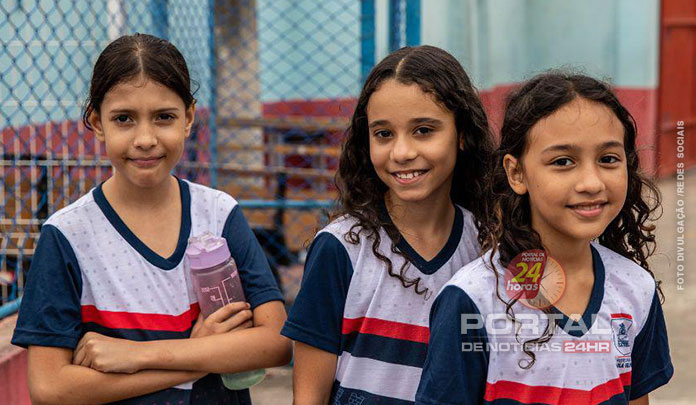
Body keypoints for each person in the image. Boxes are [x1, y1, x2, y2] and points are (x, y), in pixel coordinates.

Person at [11, 33, 291, 404]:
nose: (145, 138)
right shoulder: (68, 235)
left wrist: (137, 356)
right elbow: (50, 387)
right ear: (96, 122)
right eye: (123, 119)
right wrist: (197, 360)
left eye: (164, 117)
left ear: (188, 118)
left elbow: (277, 342)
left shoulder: (218, 213)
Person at [416, 72, 673, 404]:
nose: (591, 183)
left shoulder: (635, 288)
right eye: (563, 161)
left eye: (608, 159)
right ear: (516, 172)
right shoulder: (474, 299)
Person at [281, 45, 494, 403]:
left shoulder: (487, 246)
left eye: (423, 130)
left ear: (462, 134)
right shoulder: (340, 248)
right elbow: (308, 397)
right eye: (383, 134)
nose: (401, 153)